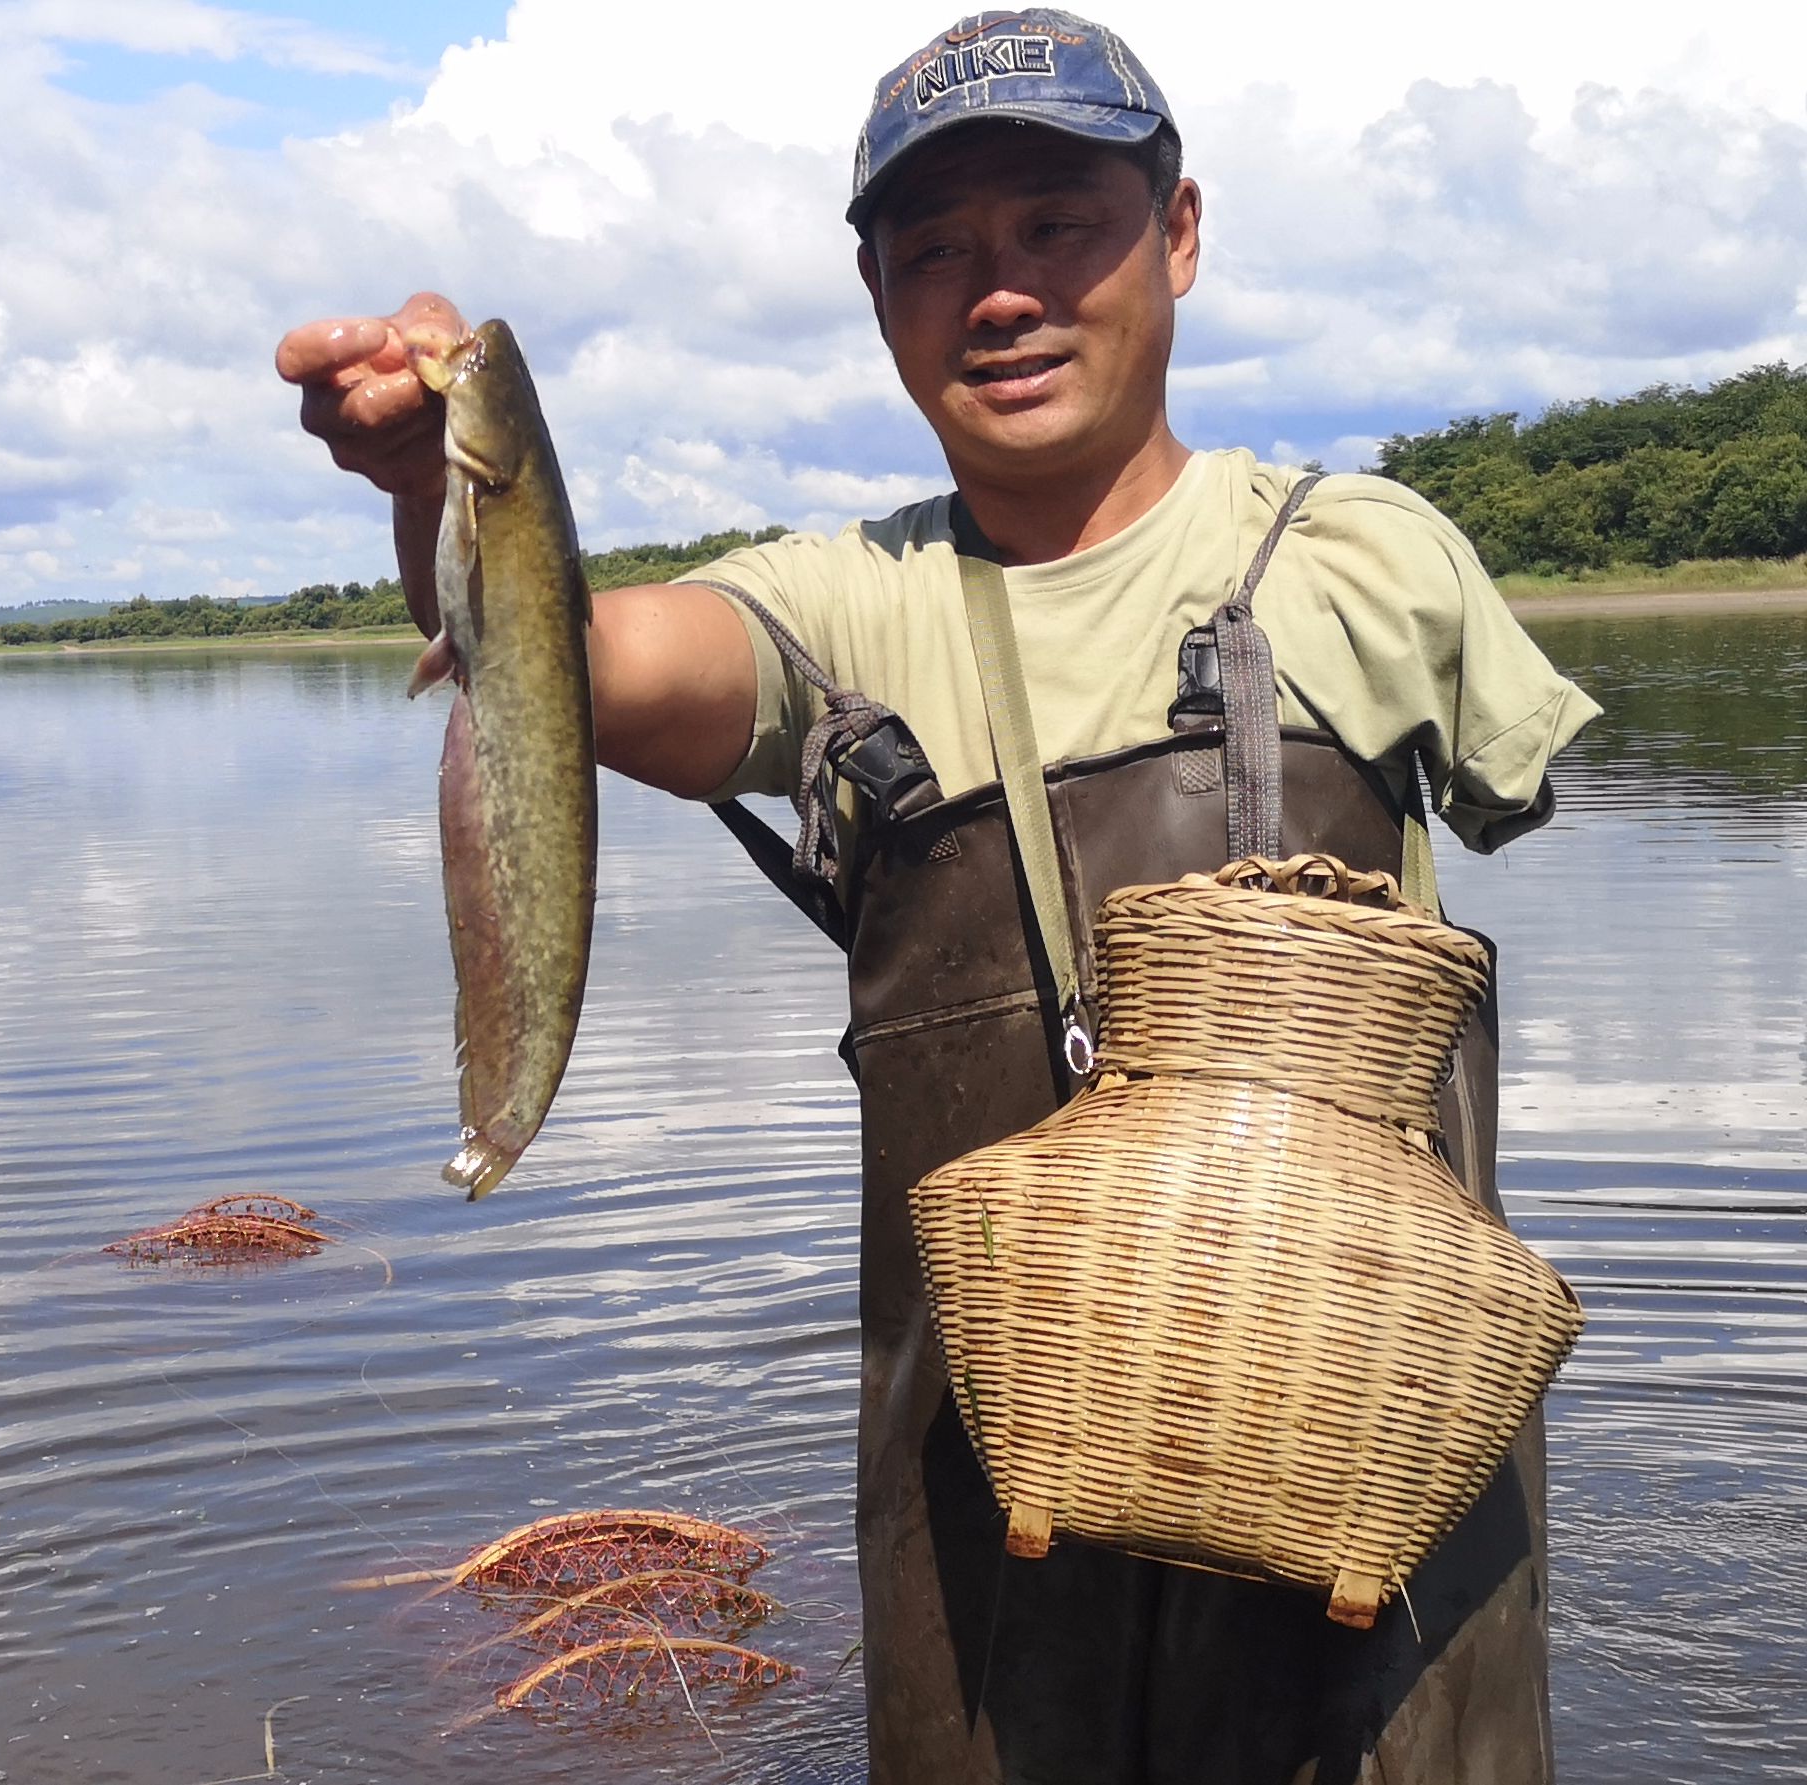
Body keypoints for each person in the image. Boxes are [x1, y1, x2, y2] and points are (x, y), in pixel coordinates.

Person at [279, 9, 1598, 1782]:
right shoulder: (846, 614)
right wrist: (441, 488)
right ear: (882, 295)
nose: (1003, 291)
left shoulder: (1372, 562)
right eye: (940, 250)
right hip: (989, 1550)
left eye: (1059, 224)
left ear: (1179, 234)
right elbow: (573, 664)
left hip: (1376, 1506)